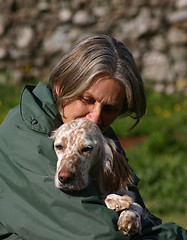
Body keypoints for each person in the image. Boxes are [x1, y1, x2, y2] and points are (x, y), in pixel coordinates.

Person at [0, 35, 186, 240]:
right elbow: (98, 234)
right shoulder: (26, 138)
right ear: (62, 87)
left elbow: (138, 221)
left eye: (110, 108)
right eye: (86, 99)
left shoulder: (100, 137)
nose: (96, 118)